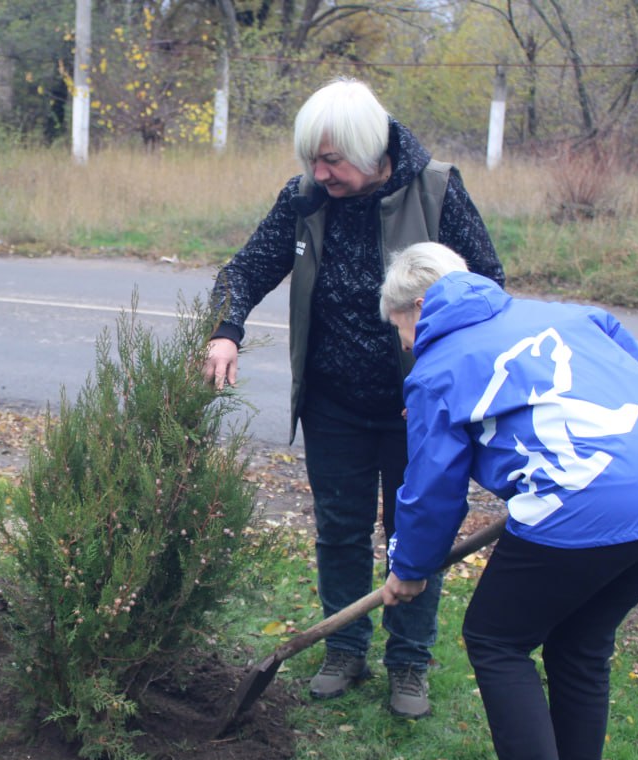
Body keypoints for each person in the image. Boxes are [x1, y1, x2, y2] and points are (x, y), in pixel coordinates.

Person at [378, 242, 638, 760]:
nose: (404, 343)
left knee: (495, 637)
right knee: (580, 640)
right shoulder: (570, 313)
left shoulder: (438, 366)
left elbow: (432, 492)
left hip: (585, 505)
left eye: (400, 327)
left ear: (420, 306)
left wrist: (410, 568)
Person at [203, 77, 504, 719]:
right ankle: (344, 648)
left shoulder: (437, 191)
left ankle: (410, 663)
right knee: (339, 530)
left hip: (420, 410)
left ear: (372, 152)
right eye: (311, 158)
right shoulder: (307, 199)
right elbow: (245, 268)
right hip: (334, 403)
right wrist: (226, 331)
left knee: (415, 531)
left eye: (332, 160)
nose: (320, 171)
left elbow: (488, 290)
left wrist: (448, 386)